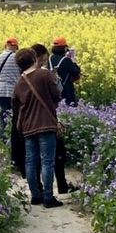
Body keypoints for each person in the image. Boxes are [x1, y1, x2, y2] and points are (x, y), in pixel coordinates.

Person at [12, 47, 63, 207]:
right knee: (47, 161)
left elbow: (15, 105)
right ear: (34, 58)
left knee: (30, 162)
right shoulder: (44, 74)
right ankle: (48, 197)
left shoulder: (20, 81)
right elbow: (56, 95)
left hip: (28, 126)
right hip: (46, 123)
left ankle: (35, 196)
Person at [49, 40, 80, 195]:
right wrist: (73, 60)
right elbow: (76, 72)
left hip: (52, 97)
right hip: (66, 94)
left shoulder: (48, 59)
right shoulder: (66, 60)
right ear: (65, 48)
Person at [0, 37, 22, 147]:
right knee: (15, 118)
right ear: (15, 47)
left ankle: (3, 142)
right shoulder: (17, 58)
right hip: (13, 91)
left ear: (6, 46)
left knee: (3, 117)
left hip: (0, 91)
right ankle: (13, 142)